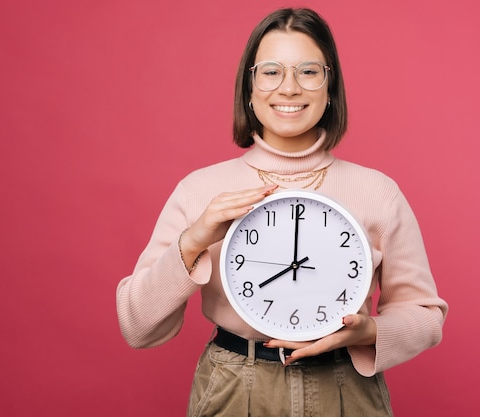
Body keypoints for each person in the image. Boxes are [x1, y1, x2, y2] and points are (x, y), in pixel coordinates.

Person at [116, 7, 448, 417]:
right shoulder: (199, 190)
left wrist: (370, 331)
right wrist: (194, 240)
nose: (288, 88)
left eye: (308, 72)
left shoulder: (377, 191)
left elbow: (425, 316)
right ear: (249, 90)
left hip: (345, 387)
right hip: (235, 385)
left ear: (330, 89)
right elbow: (137, 327)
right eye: (271, 72)